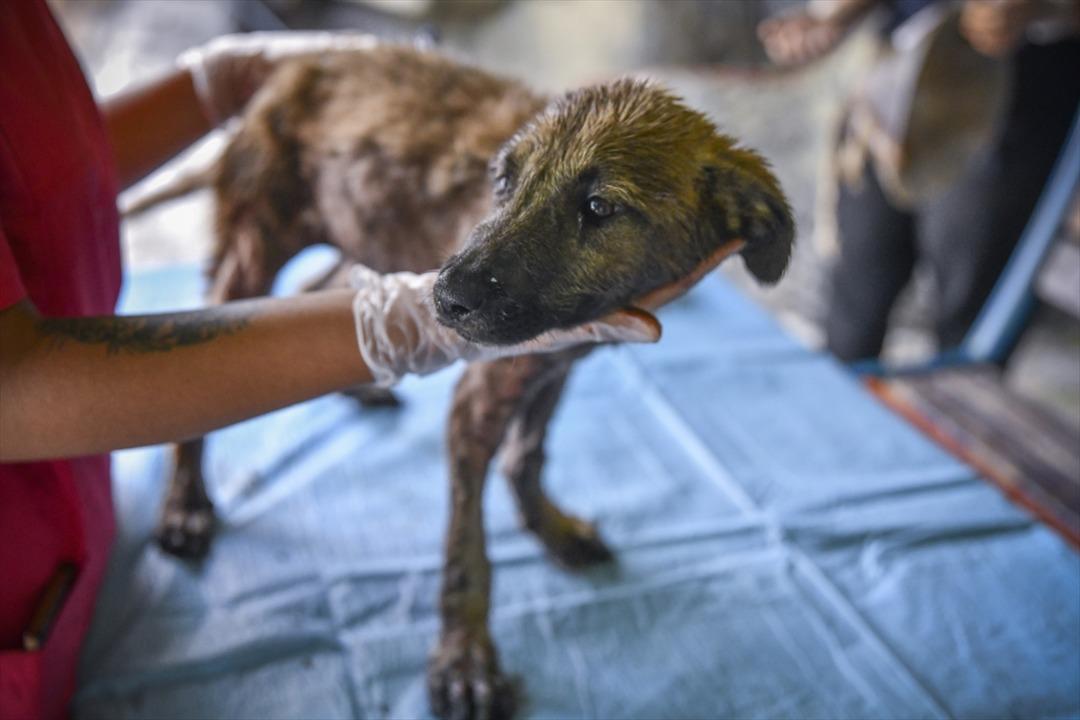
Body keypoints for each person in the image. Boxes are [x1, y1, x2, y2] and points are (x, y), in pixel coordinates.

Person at [0, 3, 664, 717]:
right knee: (242, 283)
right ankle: (185, 476)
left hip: (78, 502)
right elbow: (11, 383)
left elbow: (33, 155)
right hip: (16, 579)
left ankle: (520, 492)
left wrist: (212, 87)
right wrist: (399, 330)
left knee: (562, 354)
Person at [758, 0, 1080, 362]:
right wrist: (831, 19)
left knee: (965, 321)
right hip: (891, 94)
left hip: (1010, 105)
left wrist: (1041, 8)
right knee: (855, 303)